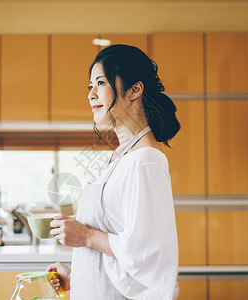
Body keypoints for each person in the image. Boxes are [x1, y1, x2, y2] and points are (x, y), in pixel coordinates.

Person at [47, 44, 180, 299]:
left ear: (135, 89)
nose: (91, 94)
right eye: (90, 86)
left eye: (100, 83)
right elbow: (118, 247)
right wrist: (76, 277)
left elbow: (147, 254)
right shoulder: (119, 157)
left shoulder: (146, 160)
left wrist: (85, 236)